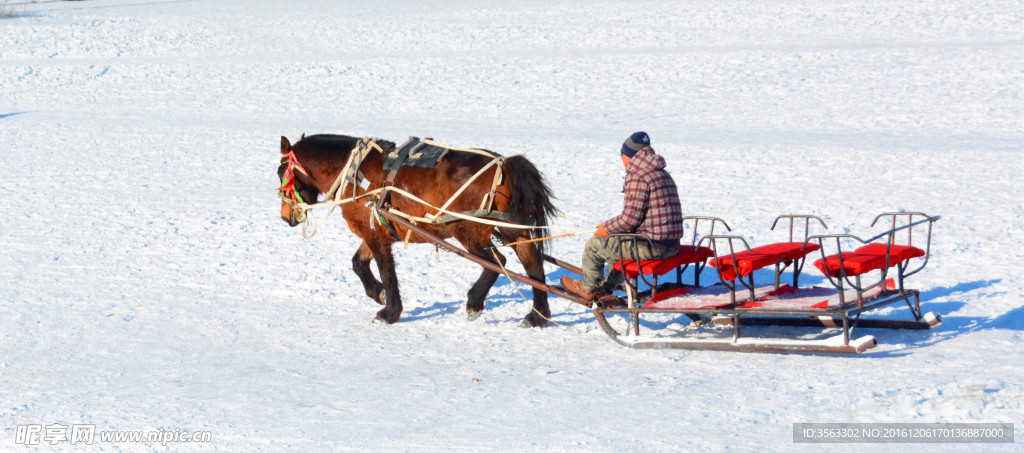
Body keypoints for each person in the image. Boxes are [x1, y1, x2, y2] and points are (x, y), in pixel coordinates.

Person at [561, 132, 684, 301]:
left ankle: (588, 288)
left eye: (622, 158)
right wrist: (612, 228)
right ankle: (606, 288)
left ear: (628, 156)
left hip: (652, 246)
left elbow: (630, 219)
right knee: (617, 241)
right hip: (671, 244)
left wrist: (605, 228)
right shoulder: (662, 172)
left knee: (594, 245)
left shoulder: (638, 176)